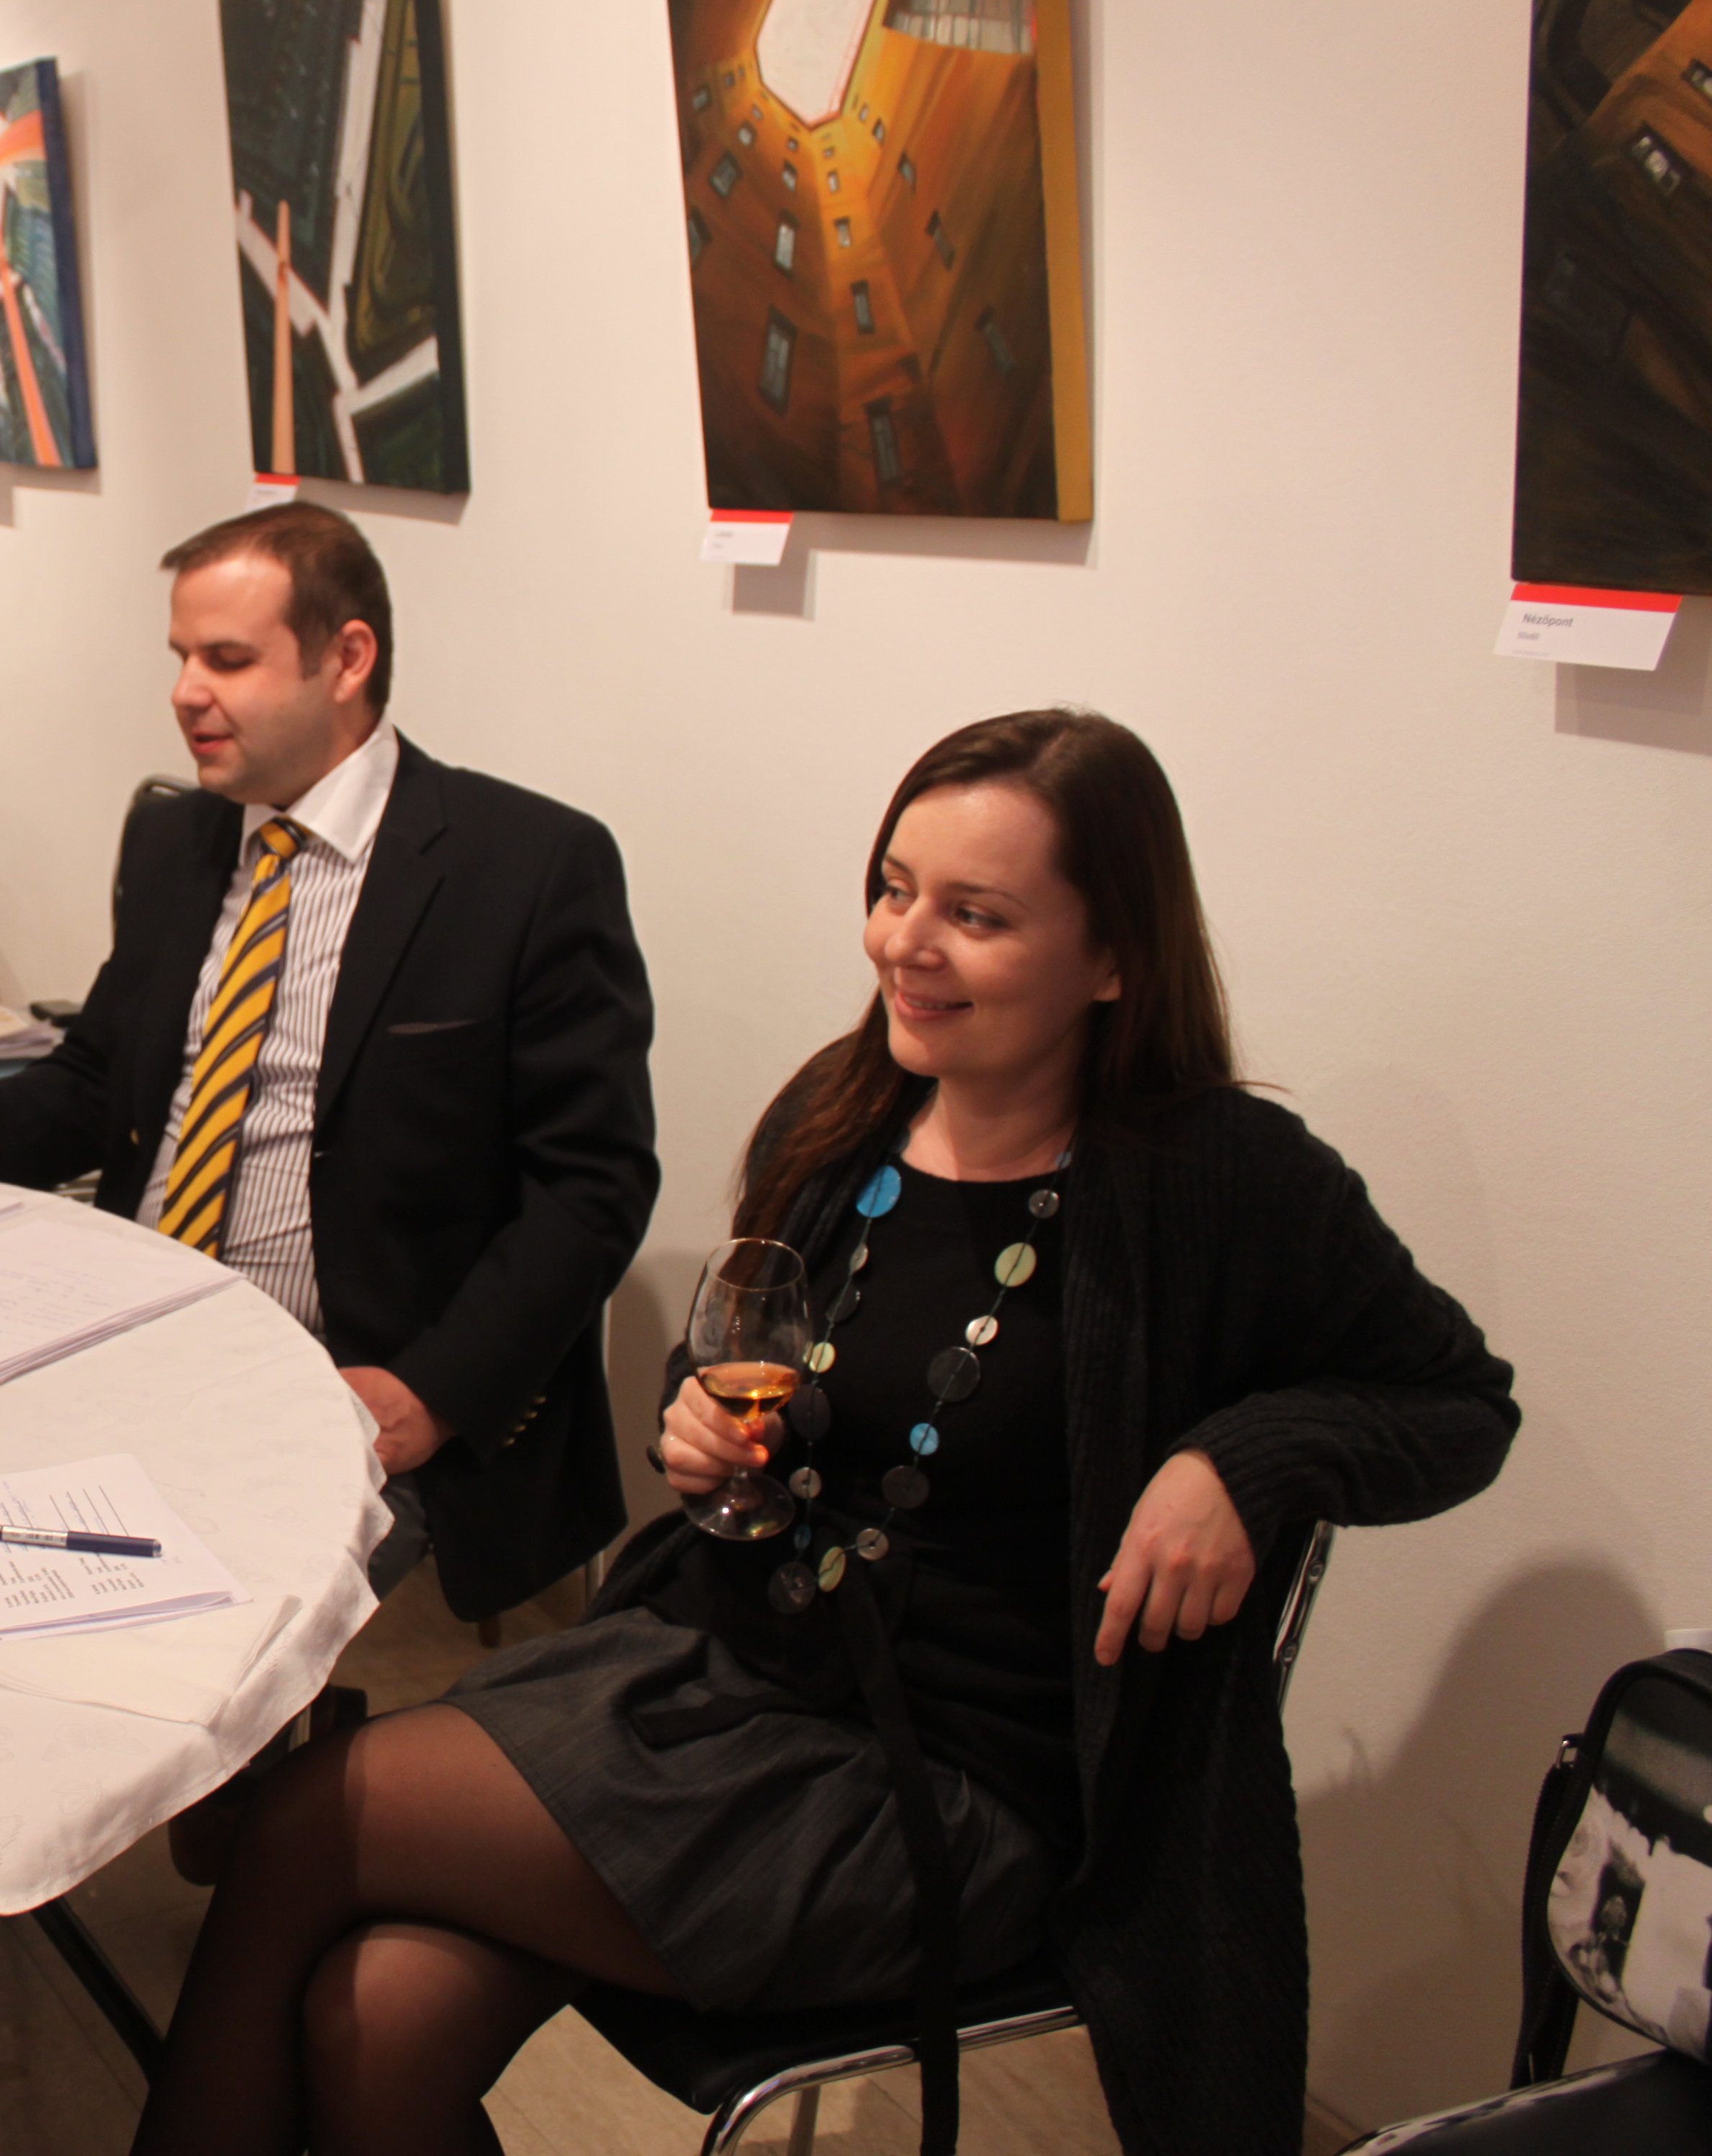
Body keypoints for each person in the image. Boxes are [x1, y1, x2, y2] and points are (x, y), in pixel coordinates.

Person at [126, 710, 1520, 2156]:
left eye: (975, 915)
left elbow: (1458, 1403)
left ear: (1114, 957)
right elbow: (749, 1343)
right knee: (375, 2015)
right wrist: (695, 1419)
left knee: (299, 1823)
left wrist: (1237, 1461)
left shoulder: (1221, 1176)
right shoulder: (847, 1111)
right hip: (729, 1675)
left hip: (948, 1793)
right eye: (894, 888)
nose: (905, 942)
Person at [0, 502, 659, 1623]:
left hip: (349, 1378)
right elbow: (101, 1077)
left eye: (228, 660)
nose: (185, 692)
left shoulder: (525, 867)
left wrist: (432, 1393)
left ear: (348, 659)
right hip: (123, 1325)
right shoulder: (180, 839)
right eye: (181, 656)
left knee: (154, 1630)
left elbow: (592, 1187)